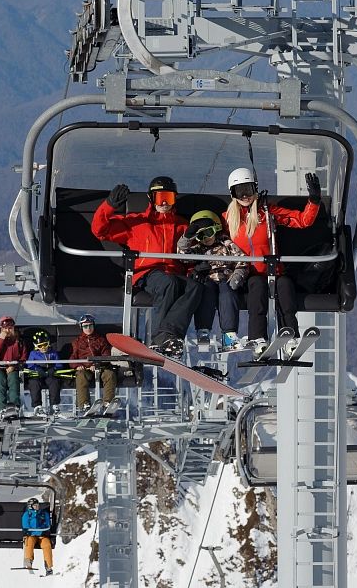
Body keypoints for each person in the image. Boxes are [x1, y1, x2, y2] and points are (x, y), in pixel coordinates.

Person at [91, 175, 201, 354]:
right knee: (169, 283)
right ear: (151, 198)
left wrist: (192, 270)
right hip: (147, 272)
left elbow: (188, 252)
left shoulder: (181, 225)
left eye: (169, 198)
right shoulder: (137, 222)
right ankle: (158, 338)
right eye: (160, 198)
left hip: (174, 272)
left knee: (195, 287)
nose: (164, 202)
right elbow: (100, 230)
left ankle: (169, 335)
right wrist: (109, 206)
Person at [224, 167, 321, 354]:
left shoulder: (267, 213)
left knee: (285, 286)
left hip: (273, 271)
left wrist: (314, 200)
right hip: (246, 275)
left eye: (249, 189)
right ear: (232, 193)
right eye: (239, 191)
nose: (245, 196)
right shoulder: (228, 218)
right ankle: (257, 338)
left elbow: (302, 220)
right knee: (257, 287)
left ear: (256, 189)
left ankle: (290, 336)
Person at [177, 209, 248, 350]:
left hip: (226, 277)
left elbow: (242, 260)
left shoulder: (226, 244)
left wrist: (237, 276)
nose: (205, 239)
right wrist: (187, 237)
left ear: (216, 229)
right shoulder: (198, 248)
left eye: (208, 233)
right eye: (200, 236)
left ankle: (229, 335)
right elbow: (182, 255)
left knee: (228, 295)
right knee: (206, 295)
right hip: (207, 278)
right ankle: (203, 331)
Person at [70, 314, 118, 414]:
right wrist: (78, 365)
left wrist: (97, 365)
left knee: (110, 375)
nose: (88, 328)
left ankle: (107, 403)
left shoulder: (101, 340)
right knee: (81, 376)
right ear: (81, 327)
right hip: (85, 369)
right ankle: (84, 405)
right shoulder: (77, 342)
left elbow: (106, 355)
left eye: (90, 326)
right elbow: (73, 358)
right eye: (85, 326)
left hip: (100, 367)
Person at [0, 316, 28, 416]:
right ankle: (1, 408)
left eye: (10, 328)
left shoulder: (19, 342)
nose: (7, 330)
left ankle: (14, 406)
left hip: (13, 368)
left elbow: (23, 358)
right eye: (5, 328)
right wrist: (1, 339)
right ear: (1, 329)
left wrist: (14, 366)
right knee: (0, 380)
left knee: (14, 380)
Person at [25, 330, 62, 416]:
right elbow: (29, 365)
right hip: (37, 374)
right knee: (34, 383)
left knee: (54, 382)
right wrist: (37, 368)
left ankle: (54, 405)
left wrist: (53, 369)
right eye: (40, 346)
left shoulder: (53, 353)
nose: (43, 348)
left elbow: (59, 364)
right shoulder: (33, 354)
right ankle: (37, 406)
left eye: (45, 345)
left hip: (50, 374)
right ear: (36, 346)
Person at [21, 496, 54, 575]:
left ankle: (48, 567)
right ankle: (29, 560)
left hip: (42, 535)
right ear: (30, 506)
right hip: (32, 535)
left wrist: (45, 531)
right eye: (35, 505)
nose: (37, 507)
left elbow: (48, 524)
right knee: (29, 542)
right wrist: (38, 532)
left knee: (47, 545)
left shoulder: (43, 513)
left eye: (38, 505)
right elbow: (26, 527)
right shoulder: (27, 515)